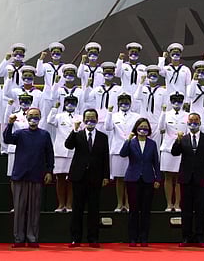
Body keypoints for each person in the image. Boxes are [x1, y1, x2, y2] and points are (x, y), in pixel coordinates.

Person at [4, 107, 54, 248]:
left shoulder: (45, 135)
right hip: (20, 176)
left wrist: (49, 171)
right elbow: (7, 139)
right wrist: (10, 124)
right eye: (31, 115)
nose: (34, 118)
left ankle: (32, 238)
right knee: (19, 209)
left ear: (40, 117)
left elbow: (50, 154)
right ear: (26, 117)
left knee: (34, 209)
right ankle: (18, 239)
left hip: (37, 175)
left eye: (37, 115)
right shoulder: (20, 133)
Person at [65, 108, 110, 248]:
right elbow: (68, 145)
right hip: (79, 176)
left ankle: (93, 238)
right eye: (87, 118)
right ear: (84, 119)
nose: (90, 120)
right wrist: (74, 130)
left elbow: (105, 158)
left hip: (95, 177)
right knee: (77, 208)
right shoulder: (77, 135)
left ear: (97, 120)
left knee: (94, 209)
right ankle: (75, 238)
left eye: (92, 118)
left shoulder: (103, 137)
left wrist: (106, 176)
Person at [171, 113, 204, 247]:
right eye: (191, 121)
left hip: (201, 179)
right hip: (186, 179)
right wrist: (177, 140)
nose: (193, 123)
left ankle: (200, 237)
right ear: (187, 122)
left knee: (200, 210)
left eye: (196, 120)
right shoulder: (183, 139)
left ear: (200, 122)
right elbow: (174, 153)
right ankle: (186, 237)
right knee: (186, 210)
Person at [120, 118, 161, 247]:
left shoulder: (152, 144)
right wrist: (127, 139)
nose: (143, 129)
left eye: (145, 127)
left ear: (148, 130)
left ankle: (144, 238)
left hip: (148, 179)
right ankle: (132, 238)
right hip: (133, 179)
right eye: (140, 127)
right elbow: (122, 154)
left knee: (145, 210)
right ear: (136, 128)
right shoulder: (131, 142)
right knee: (133, 210)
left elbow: (156, 162)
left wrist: (158, 178)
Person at [47, 95, 82, 212]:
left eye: (72, 102)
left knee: (72, 179)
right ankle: (61, 204)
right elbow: (49, 121)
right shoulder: (59, 116)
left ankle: (69, 204)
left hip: (74, 151)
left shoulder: (80, 117)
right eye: (68, 102)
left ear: (76, 104)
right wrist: (54, 109)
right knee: (60, 178)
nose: (70, 105)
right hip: (61, 151)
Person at [105, 92, 138, 211]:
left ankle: (128, 203)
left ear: (130, 103)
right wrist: (109, 112)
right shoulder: (113, 116)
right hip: (117, 149)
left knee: (130, 178)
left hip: (132, 150)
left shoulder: (136, 116)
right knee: (119, 178)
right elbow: (107, 128)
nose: (124, 104)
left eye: (126, 101)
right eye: (121, 101)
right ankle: (119, 203)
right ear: (118, 103)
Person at [158, 91, 187, 211]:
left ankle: (177, 204)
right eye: (174, 101)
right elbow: (161, 128)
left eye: (179, 101)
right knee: (168, 177)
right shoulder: (166, 114)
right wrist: (163, 112)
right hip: (167, 148)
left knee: (179, 177)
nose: (176, 103)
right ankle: (169, 204)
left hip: (181, 148)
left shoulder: (186, 115)